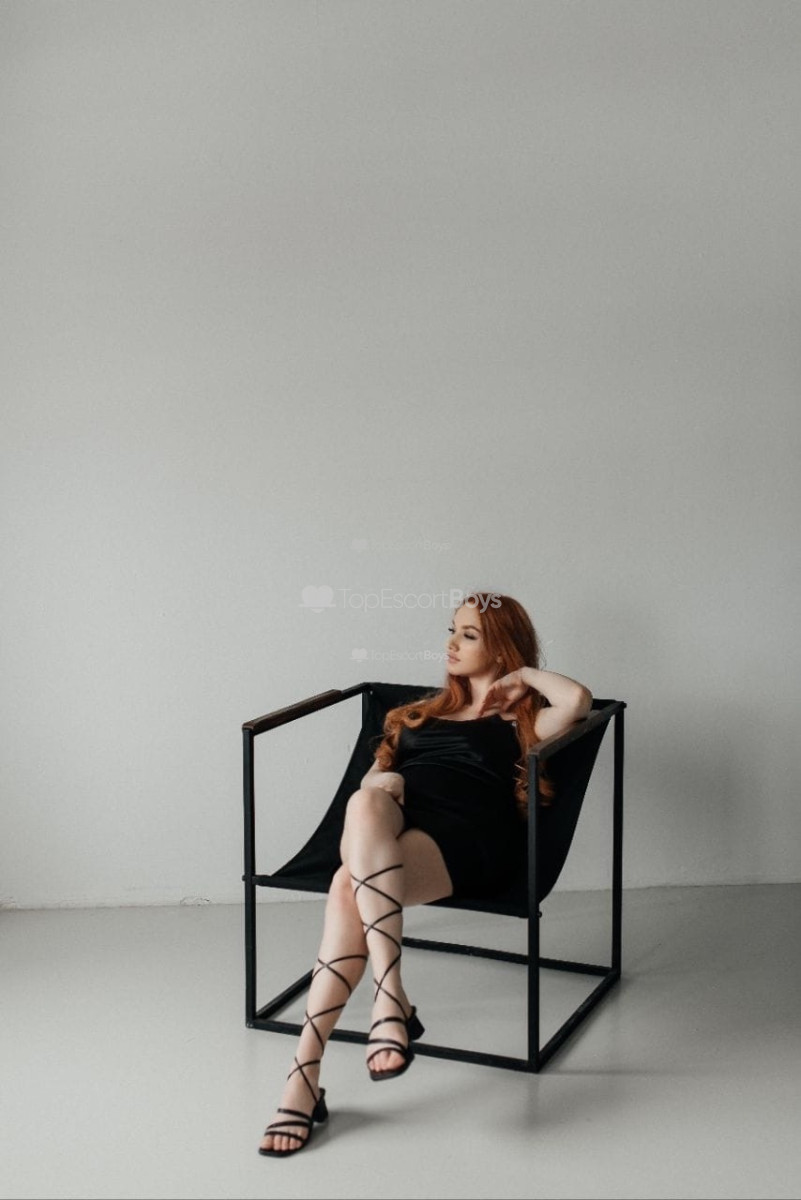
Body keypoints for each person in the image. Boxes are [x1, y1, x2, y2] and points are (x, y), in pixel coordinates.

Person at [258, 591, 593, 1156]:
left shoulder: (523, 719)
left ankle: (305, 1076)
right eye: (451, 630)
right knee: (364, 802)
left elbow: (579, 700)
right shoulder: (417, 714)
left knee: (345, 886)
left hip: (466, 841)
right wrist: (382, 781)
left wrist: (523, 676)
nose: (451, 643)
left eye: (469, 634)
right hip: (394, 826)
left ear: (501, 648)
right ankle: (389, 1002)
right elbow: (369, 784)